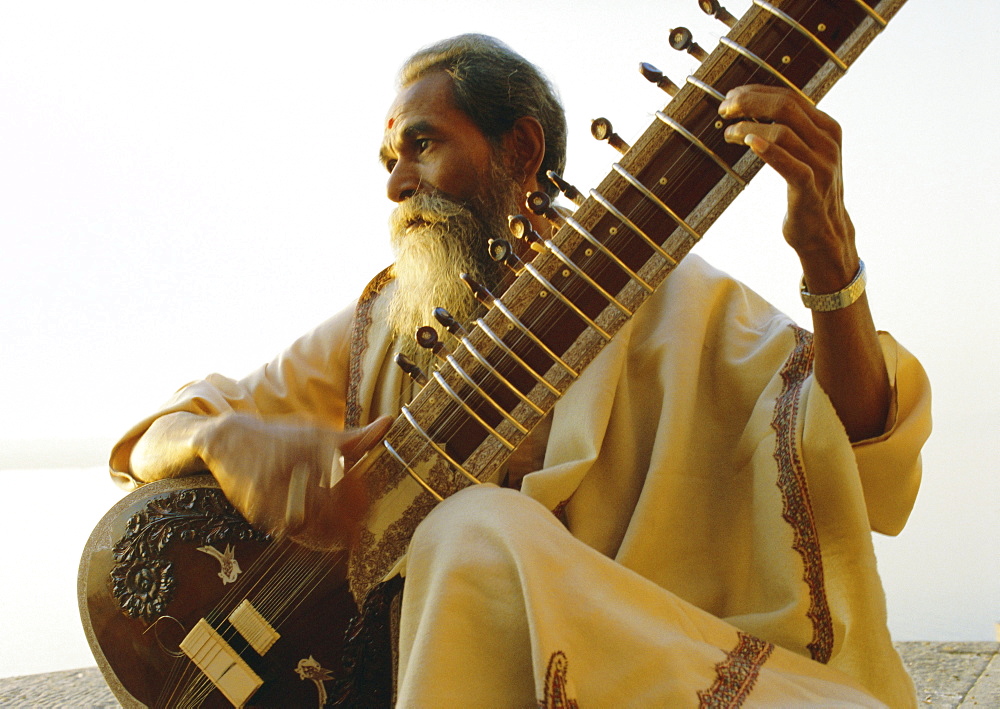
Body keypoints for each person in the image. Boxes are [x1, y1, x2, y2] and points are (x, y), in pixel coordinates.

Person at [109, 34, 930, 707]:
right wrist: (222, 439)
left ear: (523, 147)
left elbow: (860, 457)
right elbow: (158, 435)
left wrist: (833, 262)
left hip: (642, 676)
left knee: (473, 529)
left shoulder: (671, 299)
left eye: (421, 145)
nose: (397, 184)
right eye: (388, 161)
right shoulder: (387, 321)